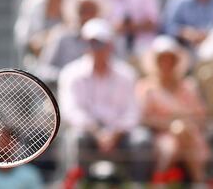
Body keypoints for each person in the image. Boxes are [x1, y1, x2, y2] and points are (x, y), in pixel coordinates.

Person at [58, 18, 152, 182]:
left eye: (99, 43)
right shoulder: (71, 73)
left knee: (142, 139)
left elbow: (132, 111)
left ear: (110, 45)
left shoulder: (126, 74)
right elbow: (71, 111)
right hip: (88, 133)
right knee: (77, 138)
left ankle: (138, 185)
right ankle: (76, 184)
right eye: (91, 43)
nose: (95, 48)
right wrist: (96, 132)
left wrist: (115, 133)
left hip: (120, 135)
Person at [137, 35, 209, 182]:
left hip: (190, 135)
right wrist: (171, 126)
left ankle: (196, 181)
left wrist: (183, 127)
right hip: (159, 136)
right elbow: (143, 118)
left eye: (170, 59)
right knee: (171, 147)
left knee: (186, 141)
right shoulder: (145, 88)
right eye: (162, 59)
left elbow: (200, 116)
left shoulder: (189, 86)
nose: (166, 63)